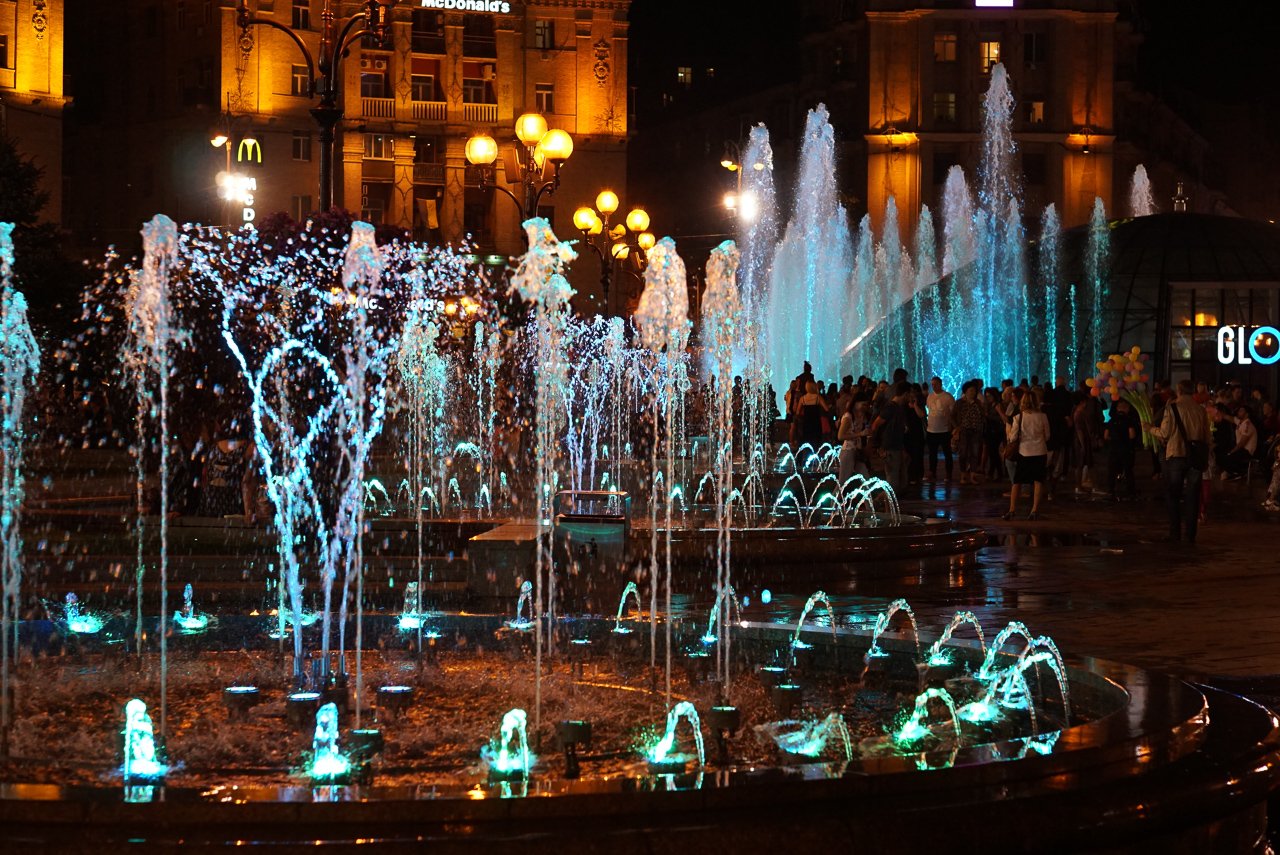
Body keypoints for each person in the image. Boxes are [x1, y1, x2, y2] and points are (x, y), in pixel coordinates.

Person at [1143, 379, 1211, 544]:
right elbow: (1207, 436)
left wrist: (1150, 429)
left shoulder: (1172, 408)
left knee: (1173, 494)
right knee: (1193, 496)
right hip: (1195, 457)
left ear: (1179, 391)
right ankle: (1190, 535)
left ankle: (1175, 532)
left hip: (1176, 454)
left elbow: (1165, 433)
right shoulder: (1201, 410)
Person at [1002, 392, 1050, 520]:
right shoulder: (1043, 416)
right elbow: (1047, 436)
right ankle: (1034, 510)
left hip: (1024, 452)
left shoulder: (1019, 417)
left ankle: (1012, 510)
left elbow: (1013, 438)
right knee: (1038, 481)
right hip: (1040, 451)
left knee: (1017, 482)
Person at [872, 381, 910, 492]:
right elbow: (876, 425)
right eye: (910, 394)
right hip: (890, 447)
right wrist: (878, 445)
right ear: (906, 394)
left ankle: (889, 500)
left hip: (896, 447)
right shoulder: (890, 407)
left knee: (899, 480)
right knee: (892, 480)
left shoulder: (898, 407)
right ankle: (884, 501)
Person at [952, 381, 985, 485]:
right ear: (965, 391)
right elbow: (952, 416)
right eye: (971, 390)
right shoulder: (959, 403)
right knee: (963, 453)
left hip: (975, 431)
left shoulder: (978, 403)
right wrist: (957, 427)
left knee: (974, 454)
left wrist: (980, 425)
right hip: (964, 431)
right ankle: (963, 475)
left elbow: (982, 415)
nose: (973, 393)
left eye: (974, 391)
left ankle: (972, 476)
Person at [1105, 398, 1139, 500]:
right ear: (1126, 409)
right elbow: (1132, 435)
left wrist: (1113, 439)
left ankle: (1110, 490)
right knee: (1128, 470)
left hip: (1113, 449)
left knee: (1111, 470)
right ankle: (1130, 491)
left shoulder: (1111, 420)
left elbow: (1106, 435)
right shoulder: (1129, 420)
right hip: (1125, 448)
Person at [925, 376, 956, 483]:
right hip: (931, 430)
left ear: (941, 384)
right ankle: (932, 472)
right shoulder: (930, 396)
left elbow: (953, 412)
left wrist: (952, 426)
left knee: (947, 453)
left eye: (936, 384)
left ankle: (948, 473)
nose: (933, 386)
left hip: (944, 430)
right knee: (932, 453)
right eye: (932, 384)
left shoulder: (948, 397)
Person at [1221, 405, 1258, 480]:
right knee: (1223, 452)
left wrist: (1232, 451)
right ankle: (1231, 472)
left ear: (1247, 414)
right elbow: (1231, 419)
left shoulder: (1247, 425)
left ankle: (1238, 472)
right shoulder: (1241, 422)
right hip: (1241, 450)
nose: (1238, 412)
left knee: (1229, 456)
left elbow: (1242, 443)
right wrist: (1218, 413)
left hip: (1247, 451)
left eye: (1241, 411)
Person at [796, 380, 830, 450]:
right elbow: (826, 409)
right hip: (816, 421)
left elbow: (798, 412)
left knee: (807, 439)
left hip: (806, 421)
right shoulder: (818, 397)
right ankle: (816, 453)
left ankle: (808, 453)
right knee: (817, 440)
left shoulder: (803, 398)